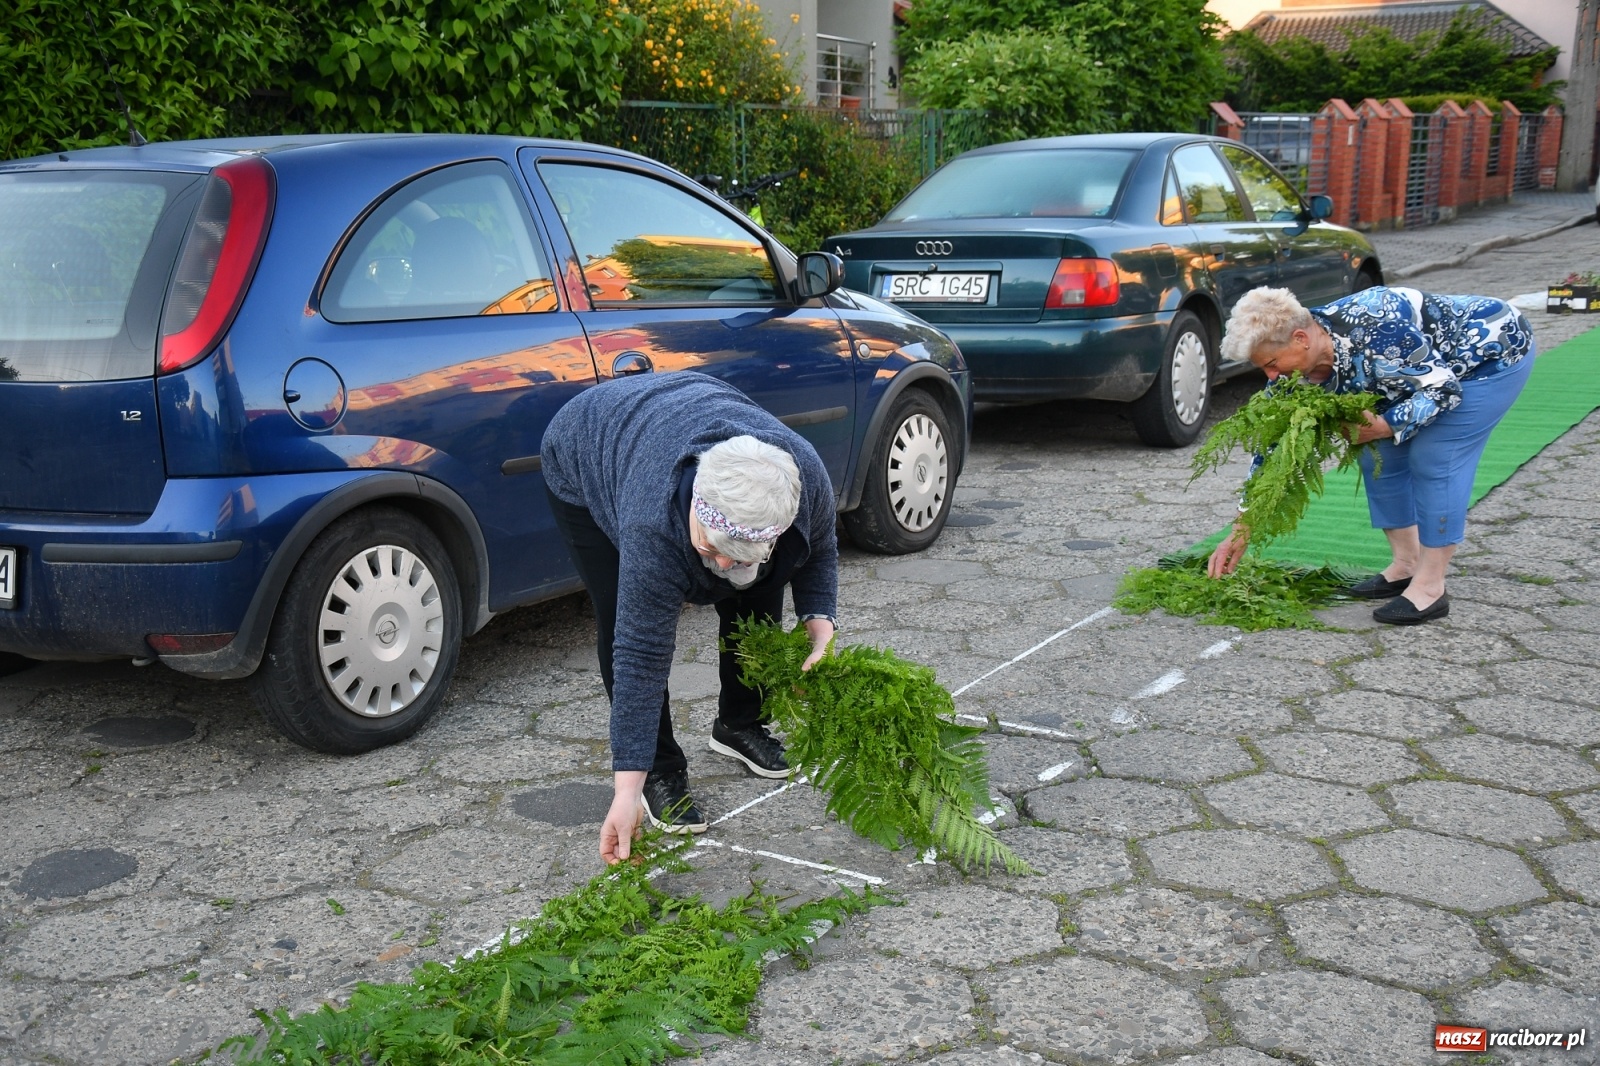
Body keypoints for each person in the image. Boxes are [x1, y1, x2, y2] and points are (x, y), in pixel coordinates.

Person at [540, 372, 838, 863]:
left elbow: (819, 548)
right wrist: (625, 790)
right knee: (621, 613)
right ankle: (659, 769)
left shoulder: (803, 477)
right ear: (698, 503)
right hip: (588, 443)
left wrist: (821, 630)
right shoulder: (652, 526)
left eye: (737, 556)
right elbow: (640, 654)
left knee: (759, 587)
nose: (721, 565)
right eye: (711, 548)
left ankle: (740, 725)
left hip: (680, 412)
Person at [1207, 285, 1535, 625]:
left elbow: (1443, 389)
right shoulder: (1290, 379)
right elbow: (1271, 451)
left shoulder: (1377, 328)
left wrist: (1386, 424)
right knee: (1377, 454)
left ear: (1301, 338)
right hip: (1415, 371)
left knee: (1436, 457)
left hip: (1488, 356)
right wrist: (1242, 527)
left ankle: (1430, 586)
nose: (1271, 377)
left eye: (1272, 364)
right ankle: (1407, 564)